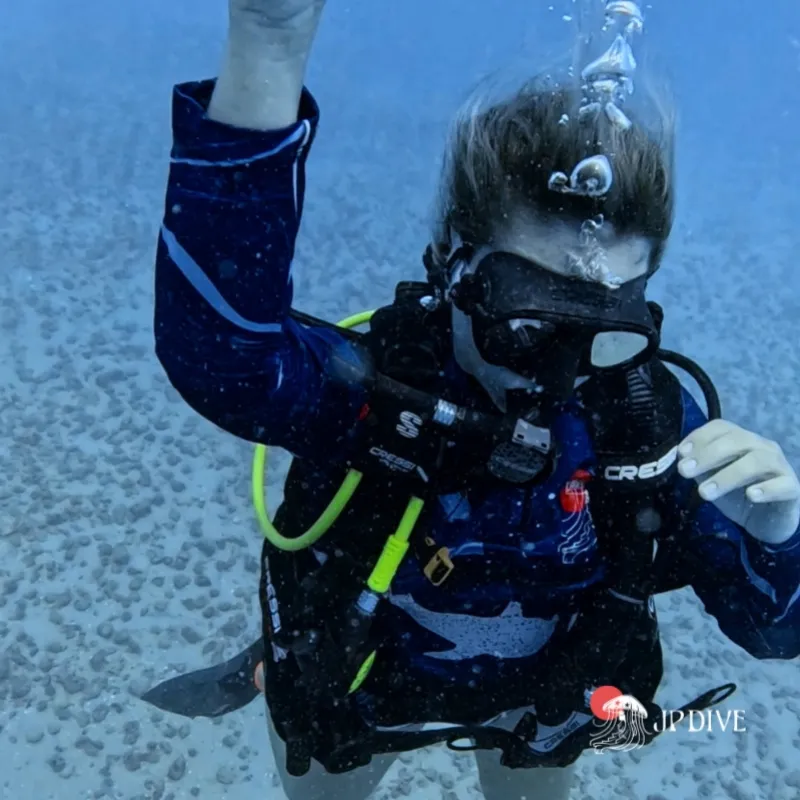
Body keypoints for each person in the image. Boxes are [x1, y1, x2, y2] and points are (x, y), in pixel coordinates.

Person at [145, 1, 800, 798]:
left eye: (602, 331)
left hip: (535, 710)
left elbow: (776, 630)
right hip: (357, 691)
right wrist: (269, 41)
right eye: (527, 326)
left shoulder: (640, 428)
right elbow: (224, 359)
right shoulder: (375, 395)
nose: (556, 378)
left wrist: (779, 535)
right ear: (451, 263)